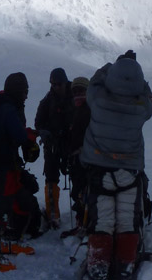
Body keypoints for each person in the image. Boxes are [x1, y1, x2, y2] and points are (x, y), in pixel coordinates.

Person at [80, 53, 152, 280]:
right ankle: (124, 264)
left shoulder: (98, 98)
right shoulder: (141, 107)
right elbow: (150, 98)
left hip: (98, 170)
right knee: (126, 220)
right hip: (129, 171)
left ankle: (98, 266)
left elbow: (94, 81)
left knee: (102, 220)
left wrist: (110, 66)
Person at [0, 72, 42, 272]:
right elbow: (18, 134)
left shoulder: (7, 105)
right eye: (24, 91)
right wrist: (34, 134)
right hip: (0, 167)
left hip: (9, 167)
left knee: (22, 201)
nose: (26, 95)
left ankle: (8, 241)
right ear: (17, 91)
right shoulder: (7, 108)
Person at [34, 67, 74, 228]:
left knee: (78, 176)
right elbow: (38, 123)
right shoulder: (47, 101)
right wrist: (44, 133)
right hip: (53, 145)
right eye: (53, 84)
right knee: (51, 177)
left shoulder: (75, 95)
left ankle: (81, 209)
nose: (56, 87)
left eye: (58, 84)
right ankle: (52, 214)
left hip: (72, 144)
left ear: (65, 82)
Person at [64, 75, 91, 233]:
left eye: (81, 90)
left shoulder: (86, 110)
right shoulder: (78, 109)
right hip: (77, 158)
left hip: (84, 158)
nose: (78, 94)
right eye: (75, 91)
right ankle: (84, 220)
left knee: (82, 190)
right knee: (80, 191)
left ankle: (85, 221)